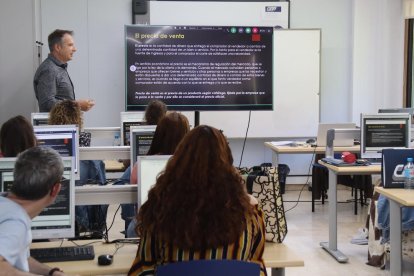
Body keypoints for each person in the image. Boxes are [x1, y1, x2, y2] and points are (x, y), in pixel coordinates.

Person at [128, 125, 267, 275]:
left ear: (178, 161)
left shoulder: (159, 210)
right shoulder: (250, 215)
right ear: (227, 163)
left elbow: (141, 270)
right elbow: (256, 268)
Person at [0, 147, 65, 275]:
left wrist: (51, 272)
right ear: (55, 189)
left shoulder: (6, 204)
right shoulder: (15, 222)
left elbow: (18, 258)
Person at [125, 112, 190, 237]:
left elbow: (136, 201)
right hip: (185, 226)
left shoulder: (140, 166)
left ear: (158, 134)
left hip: (149, 226)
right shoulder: (193, 164)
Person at [49, 100, 107, 237]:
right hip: (91, 226)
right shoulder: (94, 161)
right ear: (78, 119)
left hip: (57, 218)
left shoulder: (49, 155)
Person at [34, 29, 94, 112]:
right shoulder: (49, 70)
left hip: (63, 124)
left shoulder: (59, 67)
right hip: (57, 125)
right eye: (70, 45)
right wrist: (77, 105)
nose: (74, 49)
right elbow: (46, 104)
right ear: (58, 47)